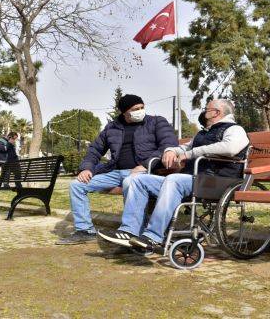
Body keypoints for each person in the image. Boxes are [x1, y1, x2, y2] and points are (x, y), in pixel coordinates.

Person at [98, 99, 249, 251]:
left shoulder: (235, 129)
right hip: (193, 180)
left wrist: (190, 154)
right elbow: (183, 147)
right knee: (137, 180)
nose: (204, 112)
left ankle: (153, 237)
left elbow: (231, 148)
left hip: (218, 181)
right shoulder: (205, 132)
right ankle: (129, 231)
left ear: (217, 112)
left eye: (207, 109)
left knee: (173, 179)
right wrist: (171, 150)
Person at [55, 94, 178, 245]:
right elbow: (94, 150)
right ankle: (85, 230)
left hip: (143, 172)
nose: (140, 111)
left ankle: (133, 233)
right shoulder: (112, 127)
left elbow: (168, 143)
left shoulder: (156, 122)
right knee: (77, 185)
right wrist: (86, 168)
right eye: (135, 109)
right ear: (124, 112)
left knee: (129, 182)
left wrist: (146, 165)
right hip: (114, 172)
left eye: (142, 107)